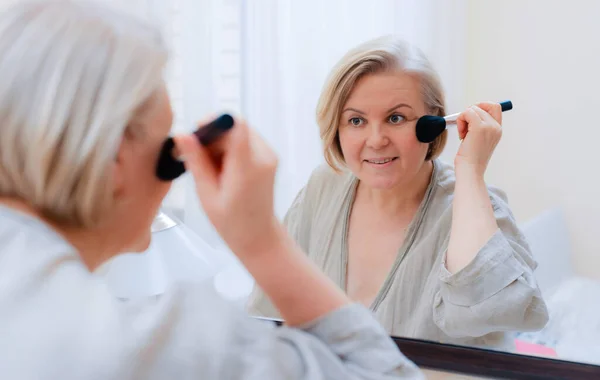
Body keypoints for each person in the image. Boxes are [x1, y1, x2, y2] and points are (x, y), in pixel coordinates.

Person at [0, 2, 423, 379]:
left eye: (397, 119)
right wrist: (260, 240)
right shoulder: (161, 346)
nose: (376, 139)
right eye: (167, 146)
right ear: (113, 159)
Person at [247, 35, 549, 350]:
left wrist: (471, 169)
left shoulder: (478, 208)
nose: (376, 140)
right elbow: (269, 312)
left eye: (396, 118)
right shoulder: (323, 188)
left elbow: (490, 310)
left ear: (434, 122)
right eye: (356, 120)